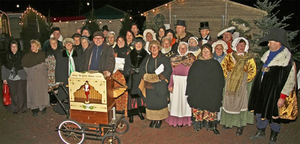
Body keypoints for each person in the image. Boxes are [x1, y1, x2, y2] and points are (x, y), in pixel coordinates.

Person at [248, 28, 296, 143]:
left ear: (278, 43)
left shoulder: (286, 59)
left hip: (275, 91)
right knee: (260, 110)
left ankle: (274, 135)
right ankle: (261, 130)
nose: (268, 44)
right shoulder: (267, 54)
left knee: (274, 113)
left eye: (270, 42)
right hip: (262, 89)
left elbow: (290, 81)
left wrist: (282, 97)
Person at [220, 37, 256, 136]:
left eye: (243, 45)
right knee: (229, 102)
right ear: (235, 46)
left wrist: (243, 79)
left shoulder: (249, 58)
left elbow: (252, 71)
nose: (241, 47)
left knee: (241, 103)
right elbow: (223, 67)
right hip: (230, 84)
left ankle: (240, 125)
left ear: (246, 46)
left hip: (243, 84)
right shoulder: (229, 56)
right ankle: (228, 122)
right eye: (240, 45)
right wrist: (230, 78)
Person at [186, 44, 225, 134]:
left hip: (211, 91)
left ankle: (212, 125)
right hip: (198, 91)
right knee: (198, 106)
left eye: (207, 51)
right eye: (204, 51)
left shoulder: (215, 64)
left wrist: (218, 90)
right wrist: (190, 91)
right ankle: (197, 124)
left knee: (211, 107)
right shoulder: (196, 64)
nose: (205, 53)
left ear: (211, 52)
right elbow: (191, 78)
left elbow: (220, 79)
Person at [140, 40, 172, 129]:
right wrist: (145, 76)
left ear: (159, 48)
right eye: (152, 47)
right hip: (149, 85)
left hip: (160, 85)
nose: (154, 48)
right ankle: (153, 119)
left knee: (159, 103)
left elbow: (168, 70)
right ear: (150, 49)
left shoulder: (164, 58)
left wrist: (158, 78)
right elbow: (142, 68)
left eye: (156, 46)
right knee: (151, 103)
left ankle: (159, 120)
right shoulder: (146, 59)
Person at [53, 38, 81, 115]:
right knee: (64, 94)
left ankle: (75, 109)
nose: (68, 45)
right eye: (67, 44)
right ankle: (64, 110)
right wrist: (58, 80)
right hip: (64, 77)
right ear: (64, 45)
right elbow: (58, 67)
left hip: (75, 77)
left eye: (70, 43)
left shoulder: (77, 53)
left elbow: (80, 65)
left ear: (73, 45)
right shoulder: (60, 54)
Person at [123, 37, 148, 123]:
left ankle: (140, 111)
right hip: (132, 78)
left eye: (140, 44)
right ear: (134, 45)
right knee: (132, 97)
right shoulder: (129, 54)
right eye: (137, 44)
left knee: (140, 96)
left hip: (141, 78)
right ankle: (131, 114)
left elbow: (147, 66)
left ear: (143, 45)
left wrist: (141, 70)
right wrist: (130, 70)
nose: (138, 45)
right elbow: (126, 66)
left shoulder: (146, 55)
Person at [21, 39, 49, 116]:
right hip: (32, 77)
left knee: (42, 93)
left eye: (34, 46)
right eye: (31, 46)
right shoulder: (27, 56)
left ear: (38, 47)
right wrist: (33, 69)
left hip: (41, 77)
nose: (32, 47)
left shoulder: (42, 55)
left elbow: (46, 66)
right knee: (33, 93)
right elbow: (25, 67)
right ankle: (34, 109)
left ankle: (43, 107)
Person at [166, 55, 194, 128]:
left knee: (184, 103)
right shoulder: (174, 62)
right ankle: (175, 120)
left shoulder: (190, 63)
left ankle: (184, 120)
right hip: (176, 84)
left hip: (185, 84)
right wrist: (170, 85)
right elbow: (171, 75)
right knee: (175, 102)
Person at [2, 40, 27, 114]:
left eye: (15, 46)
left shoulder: (22, 55)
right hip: (10, 78)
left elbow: (26, 65)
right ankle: (15, 108)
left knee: (21, 93)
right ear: (10, 47)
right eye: (12, 47)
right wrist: (4, 78)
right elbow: (4, 67)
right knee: (13, 94)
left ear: (18, 47)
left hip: (20, 76)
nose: (14, 48)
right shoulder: (7, 56)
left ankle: (23, 108)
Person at [113, 36, 130, 116]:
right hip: (116, 75)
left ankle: (124, 109)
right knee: (116, 92)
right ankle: (117, 109)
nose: (120, 42)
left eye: (122, 41)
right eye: (118, 41)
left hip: (125, 73)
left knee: (124, 92)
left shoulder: (128, 50)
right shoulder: (113, 50)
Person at [45, 37, 62, 105]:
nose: (54, 44)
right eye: (52, 43)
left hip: (58, 72)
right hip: (50, 73)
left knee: (57, 87)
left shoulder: (61, 52)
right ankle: (52, 100)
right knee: (51, 88)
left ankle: (58, 101)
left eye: (55, 43)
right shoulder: (47, 53)